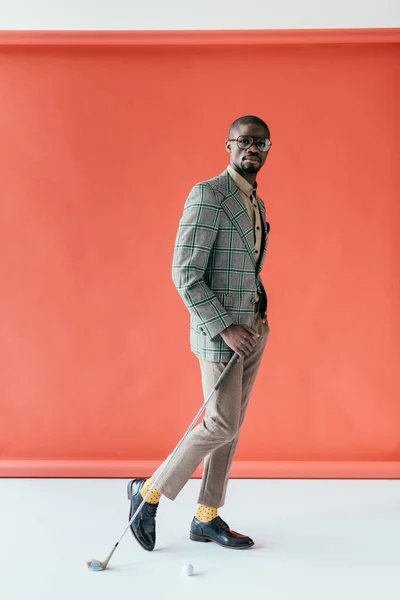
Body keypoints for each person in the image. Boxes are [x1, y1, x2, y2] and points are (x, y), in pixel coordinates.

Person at [127, 115, 272, 551]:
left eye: (261, 143)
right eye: (244, 141)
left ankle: (206, 516)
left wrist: (257, 314)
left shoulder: (256, 202)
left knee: (234, 426)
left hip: (253, 330)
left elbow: (244, 264)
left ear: (268, 150)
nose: (252, 149)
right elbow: (185, 272)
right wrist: (224, 326)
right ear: (228, 145)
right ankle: (147, 492)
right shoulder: (208, 195)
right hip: (220, 333)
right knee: (220, 423)